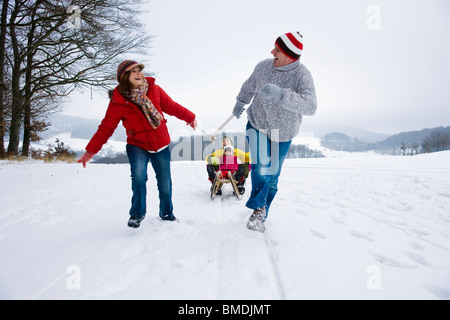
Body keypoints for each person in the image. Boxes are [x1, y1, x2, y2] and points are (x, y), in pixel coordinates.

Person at [78, 60, 197, 228]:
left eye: (139, 69)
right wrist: (91, 151)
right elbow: (106, 127)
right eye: (133, 71)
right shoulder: (118, 101)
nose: (139, 73)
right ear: (124, 77)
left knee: (165, 182)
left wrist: (190, 117)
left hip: (160, 143)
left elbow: (171, 106)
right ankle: (137, 214)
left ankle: (166, 213)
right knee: (139, 179)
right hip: (137, 145)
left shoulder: (154, 89)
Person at [232, 32, 317, 232]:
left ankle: (262, 212)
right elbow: (248, 86)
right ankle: (258, 208)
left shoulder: (302, 75)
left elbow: (311, 106)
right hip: (258, 123)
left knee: (273, 175)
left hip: (283, 132)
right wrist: (239, 104)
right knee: (262, 167)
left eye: (277, 50)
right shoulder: (263, 67)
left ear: (289, 54)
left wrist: (281, 94)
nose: (272, 52)